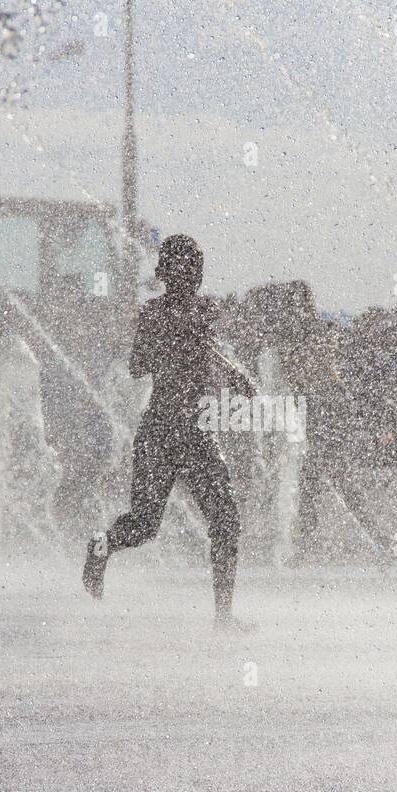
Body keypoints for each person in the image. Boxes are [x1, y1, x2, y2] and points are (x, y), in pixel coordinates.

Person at [81, 235, 254, 631]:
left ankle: (223, 616)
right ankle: (101, 546)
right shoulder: (153, 315)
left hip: (198, 433)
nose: (188, 277)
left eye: (193, 270)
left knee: (225, 521)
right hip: (160, 431)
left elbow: (213, 352)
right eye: (180, 270)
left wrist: (237, 376)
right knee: (144, 525)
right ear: (166, 274)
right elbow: (138, 366)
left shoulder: (205, 310)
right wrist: (170, 338)